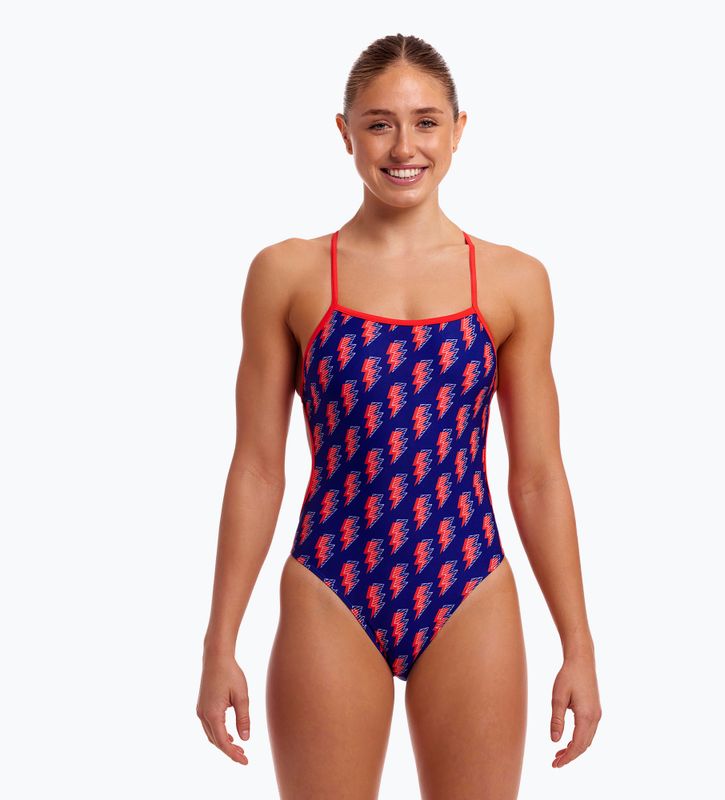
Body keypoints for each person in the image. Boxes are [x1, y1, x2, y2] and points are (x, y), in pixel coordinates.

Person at [197, 33, 601, 799]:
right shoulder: (288, 274)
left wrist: (577, 644)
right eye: (379, 123)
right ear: (345, 132)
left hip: (468, 580)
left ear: (458, 130)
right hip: (331, 581)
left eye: (425, 122)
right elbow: (255, 468)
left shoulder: (513, 281)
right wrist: (220, 642)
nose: (404, 146)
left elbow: (539, 477)